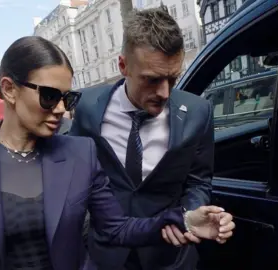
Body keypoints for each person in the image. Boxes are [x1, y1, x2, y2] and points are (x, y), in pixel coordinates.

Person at [0, 36, 235, 270]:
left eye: (67, 98)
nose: (61, 109)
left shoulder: (81, 152)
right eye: (49, 96)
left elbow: (117, 228)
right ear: (9, 89)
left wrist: (181, 220)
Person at [70, 6, 218, 270]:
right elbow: (75, 178)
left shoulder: (198, 112)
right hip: (106, 257)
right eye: (151, 80)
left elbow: (199, 182)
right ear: (123, 65)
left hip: (170, 256)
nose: (163, 92)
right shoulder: (88, 108)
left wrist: (188, 216)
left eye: (172, 79)